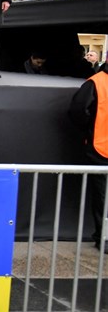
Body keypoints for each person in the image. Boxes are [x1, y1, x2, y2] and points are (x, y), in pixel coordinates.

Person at [69, 63, 108, 252]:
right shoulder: (96, 82)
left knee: (102, 196)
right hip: (101, 147)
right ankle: (104, 237)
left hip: (101, 146)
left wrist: (89, 131)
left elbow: (78, 112)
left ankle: (104, 237)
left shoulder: (96, 83)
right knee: (102, 196)